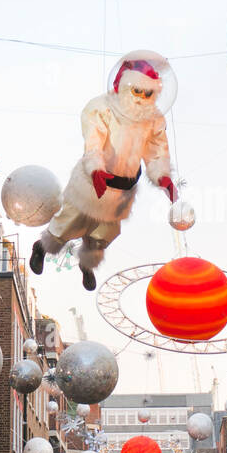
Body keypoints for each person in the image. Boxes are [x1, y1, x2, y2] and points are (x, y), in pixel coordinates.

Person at [30, 52, 178, 291]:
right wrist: (96, 169)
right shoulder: (102, 108)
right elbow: (94, 138)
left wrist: (163, 178)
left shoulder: (152, 120)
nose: (140, 98)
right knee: (69, 223)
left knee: (104, 234)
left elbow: (156, 150)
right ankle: (42, 248)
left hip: (122, 190)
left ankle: (87, 265)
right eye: (136, 91)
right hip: (92, 184)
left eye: (146, 93)